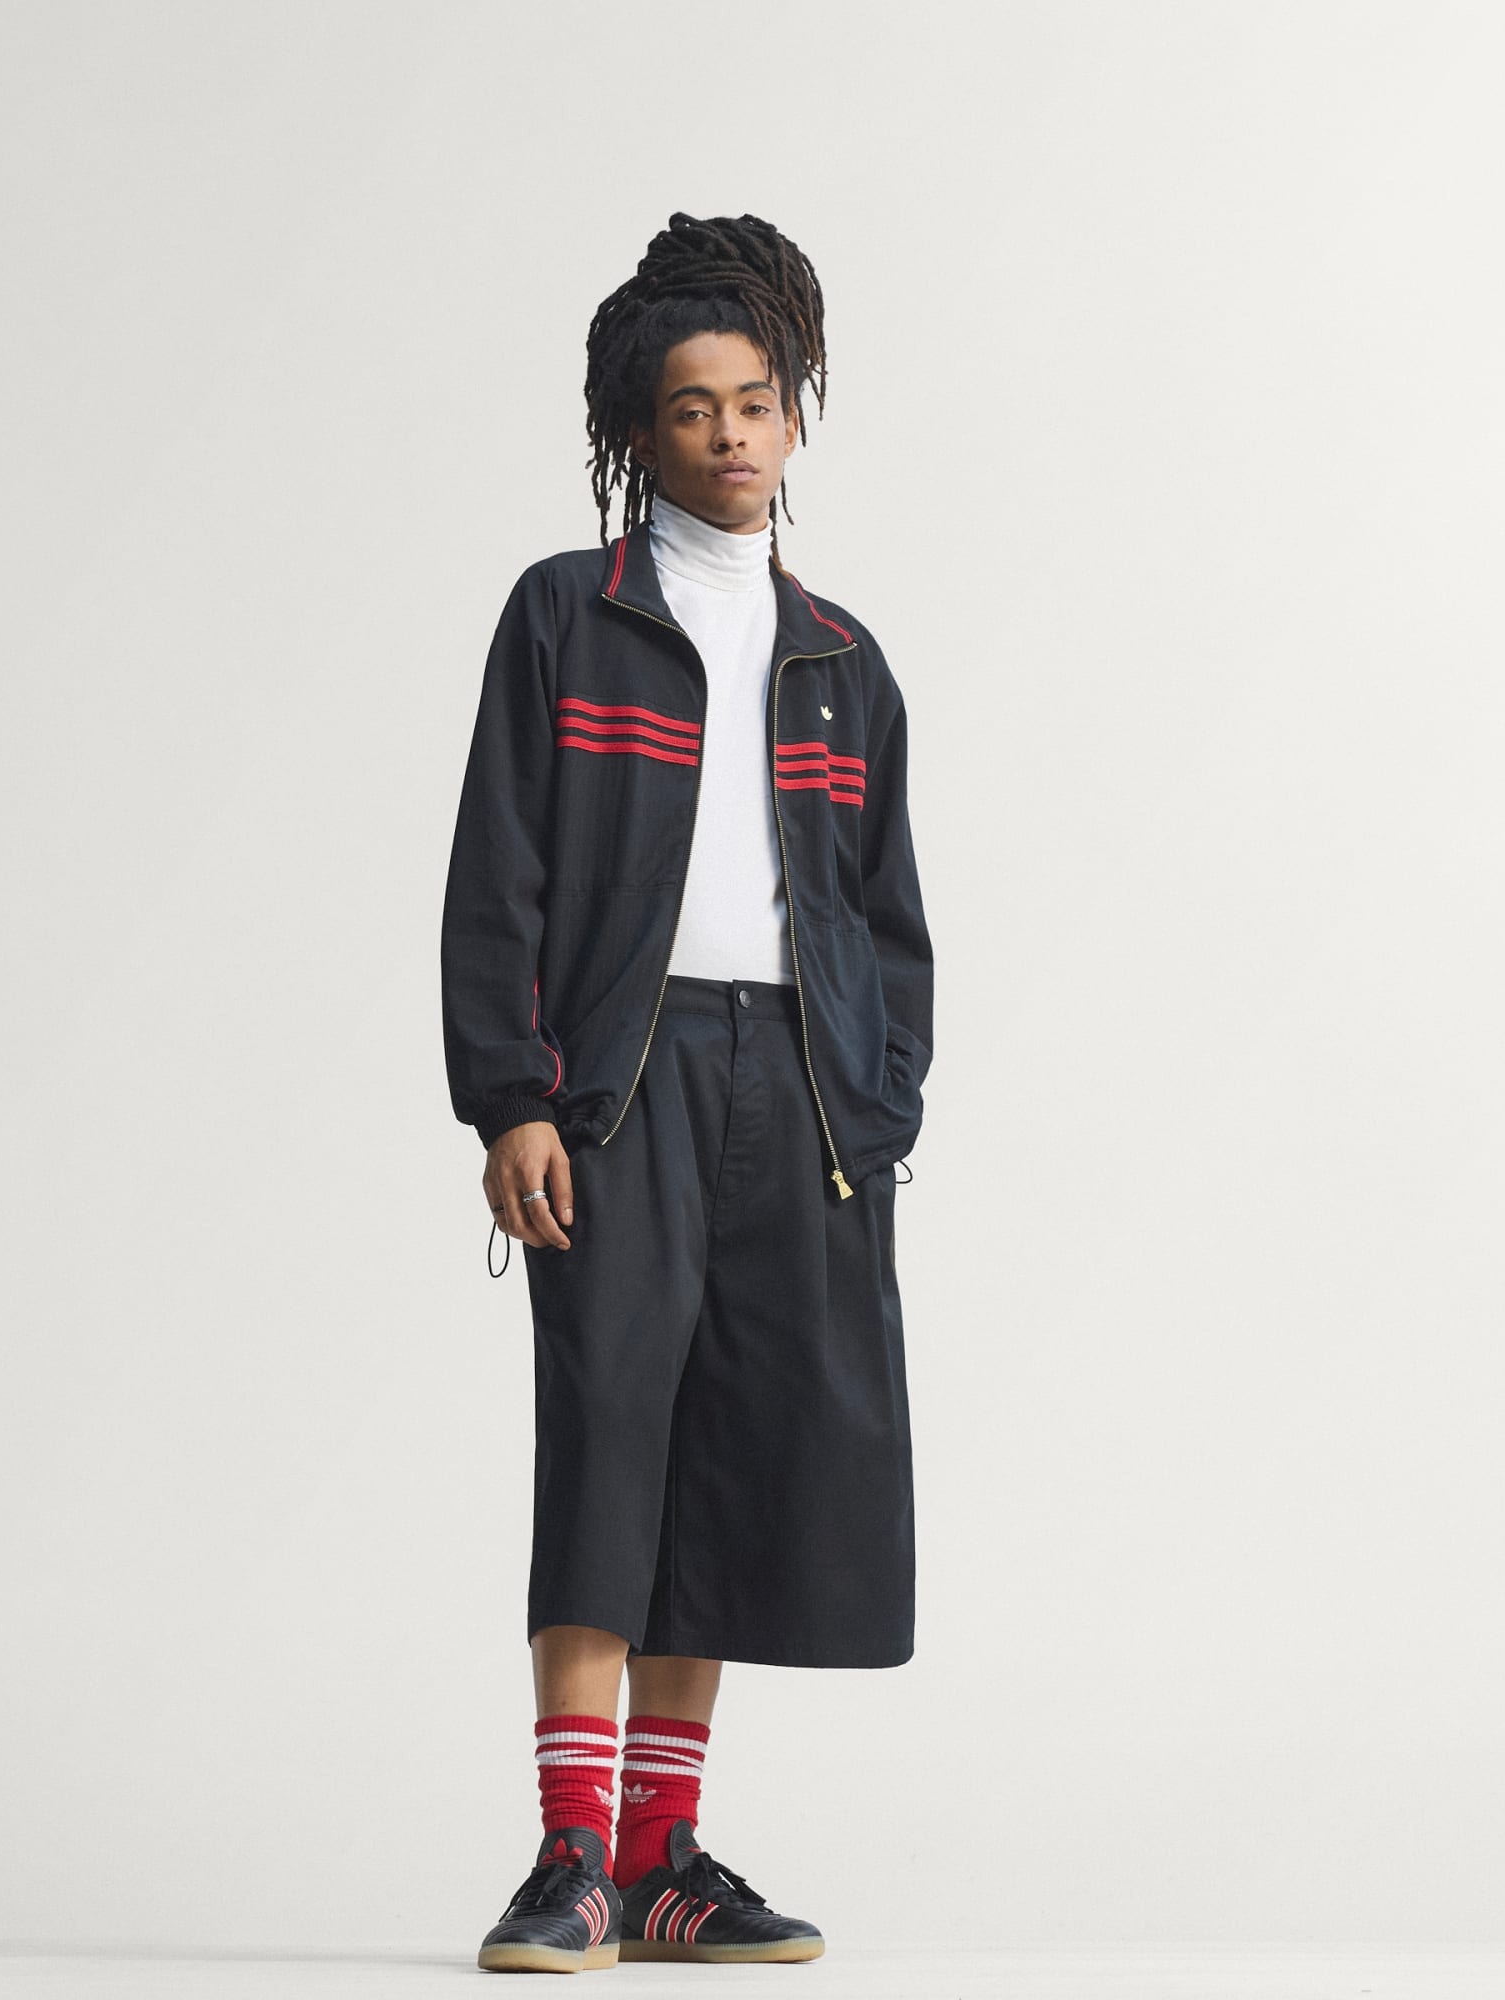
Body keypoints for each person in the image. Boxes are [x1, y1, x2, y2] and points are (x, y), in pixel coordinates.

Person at [439, 210, 932, 1974]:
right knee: (610, 1435)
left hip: (794, 1096)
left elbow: (886, 913)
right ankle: (571, 1853)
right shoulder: (567, 617)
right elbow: (499, 873)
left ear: (796, 414)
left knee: (731, 1453)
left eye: (755, 401)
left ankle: (661, 1861)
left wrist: (875, 1107)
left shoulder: (841, 657)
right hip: (618, 1087)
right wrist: (514, 1097)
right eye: (691, 408)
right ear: (637, 433)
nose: (729, 433)